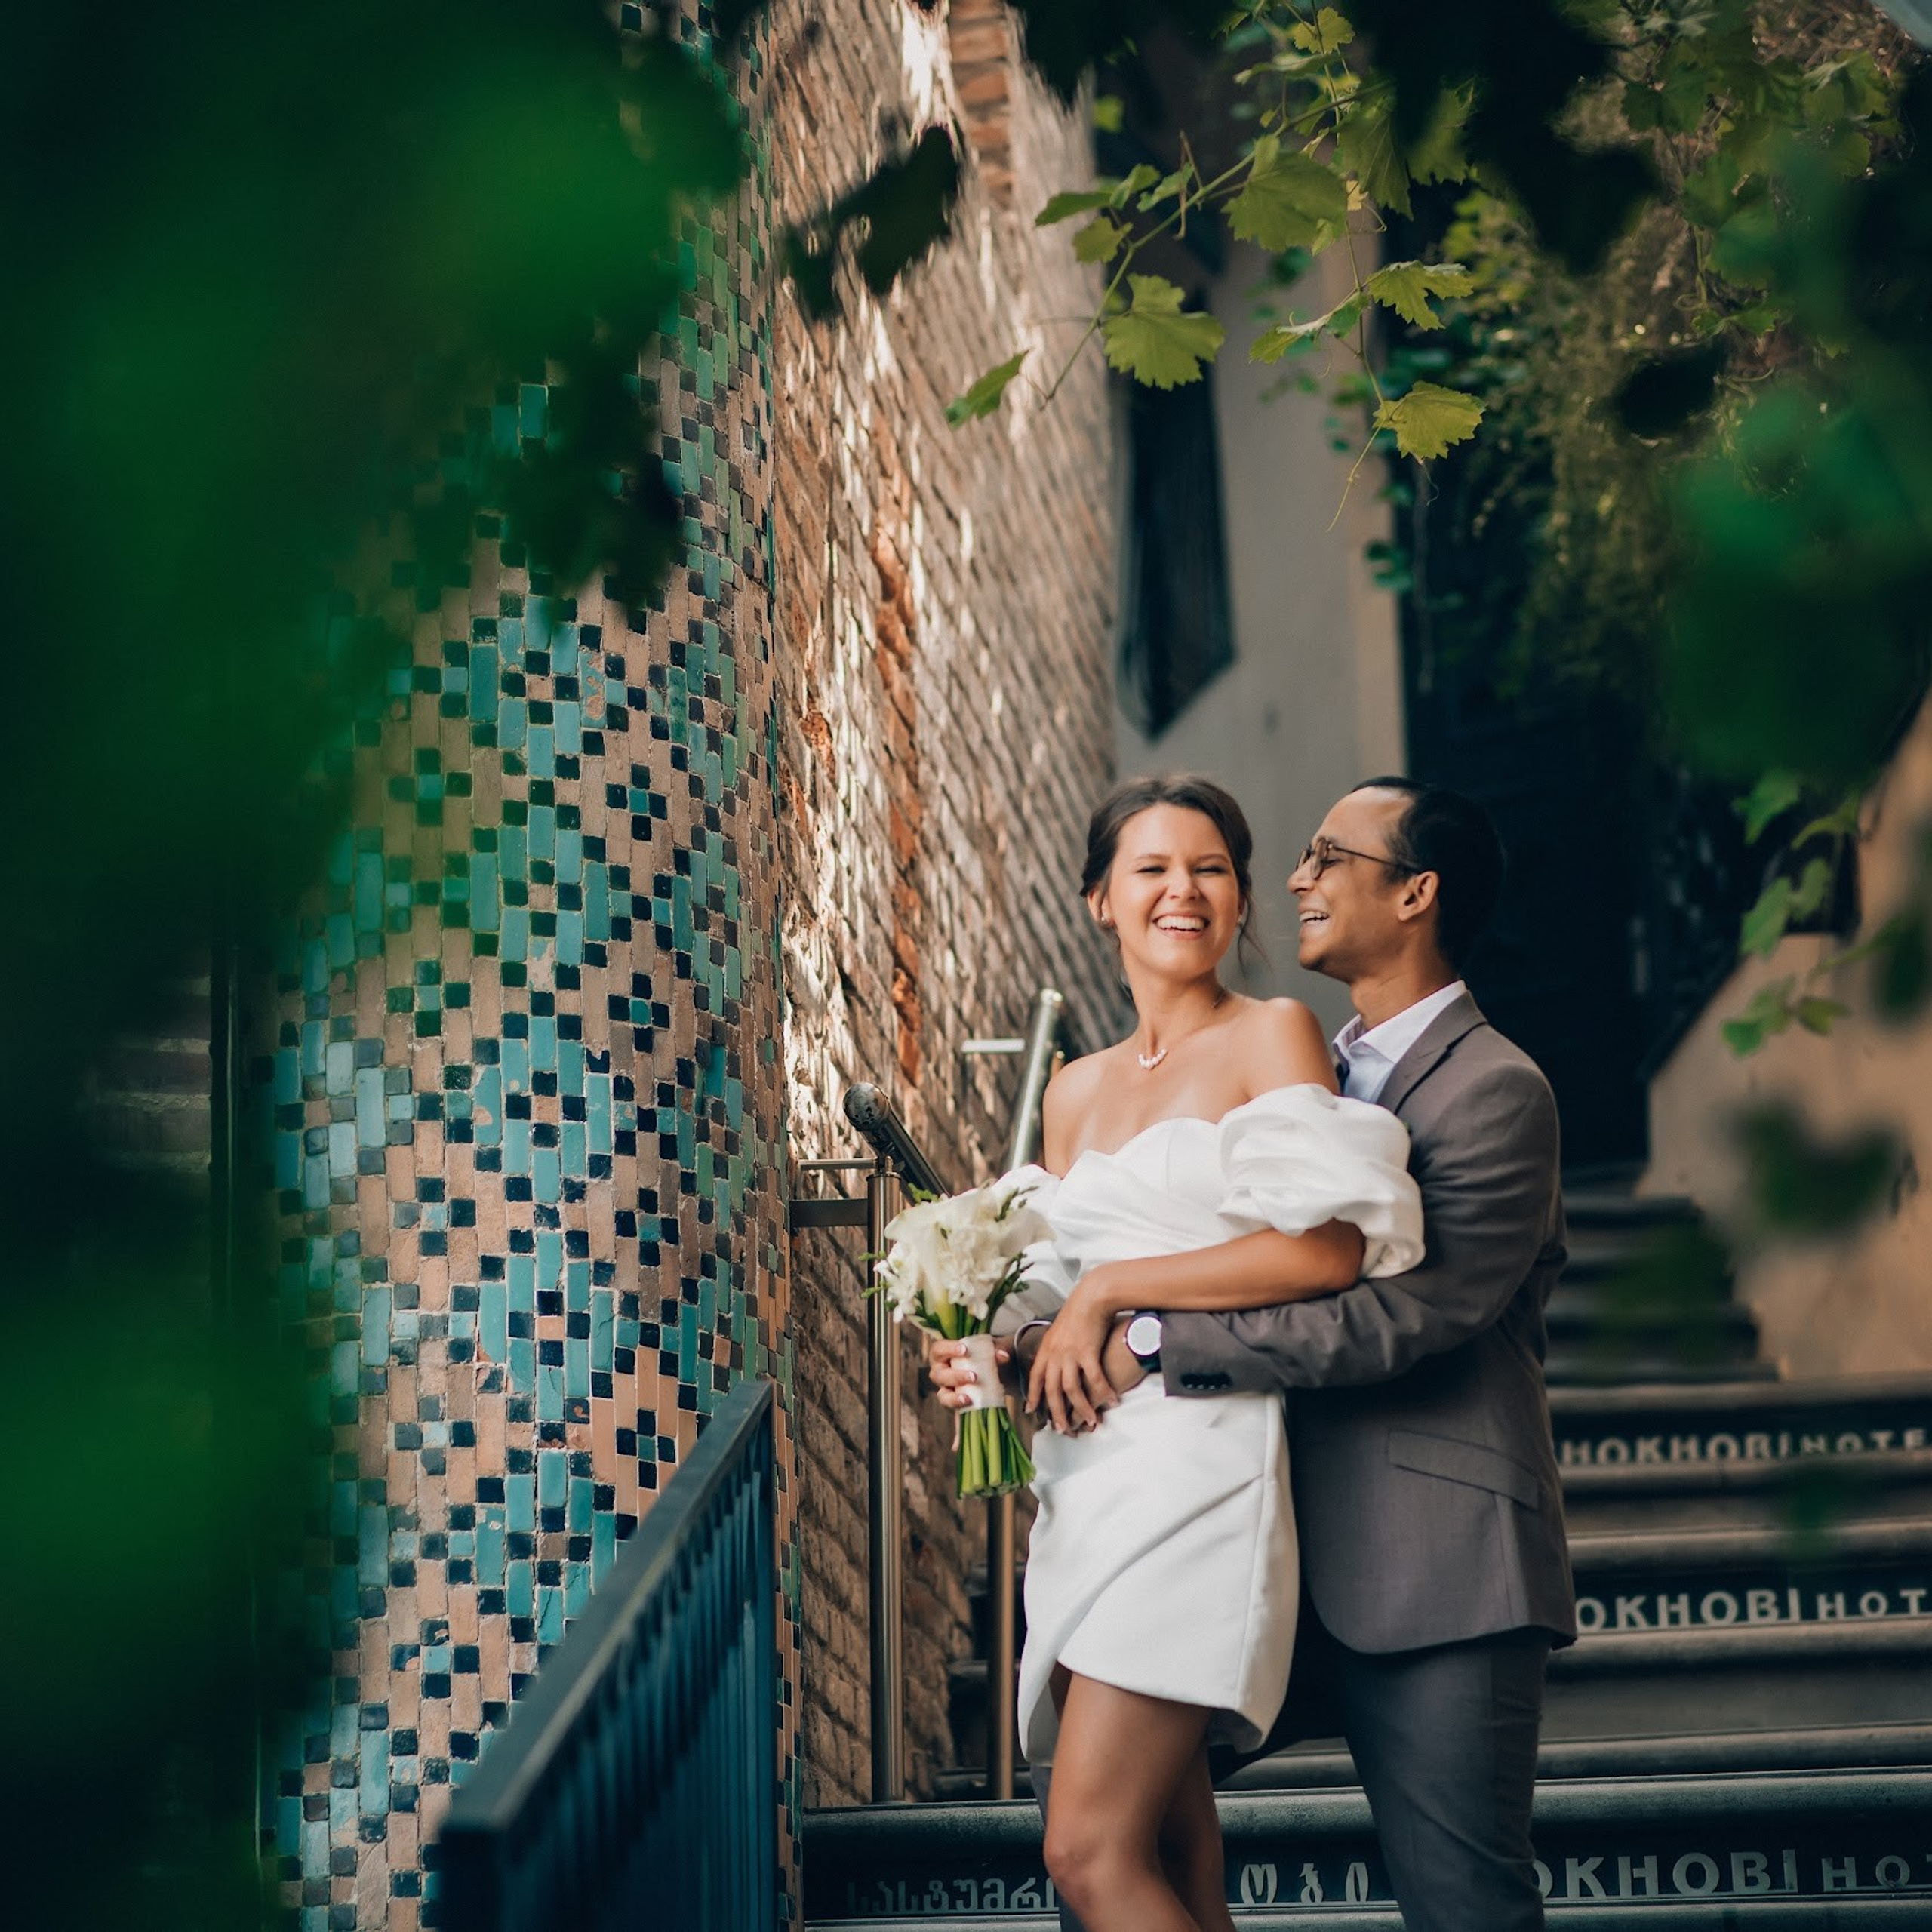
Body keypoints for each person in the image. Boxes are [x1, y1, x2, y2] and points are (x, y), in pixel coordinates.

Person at [937, 776, 1577, 1932]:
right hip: (1212, 1502)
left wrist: (1138, 1329)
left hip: (1425, 1561)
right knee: (1147, 1841)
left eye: (1326, 856)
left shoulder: (1494, 1088)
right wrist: (1022, 1347)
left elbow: (1394, 1312)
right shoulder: (1281, 1066)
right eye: (1152, 870)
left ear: (1416, 892)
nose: (1297, 878)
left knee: (1458, 1899)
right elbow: (1086, 1272)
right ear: (1099, 901)